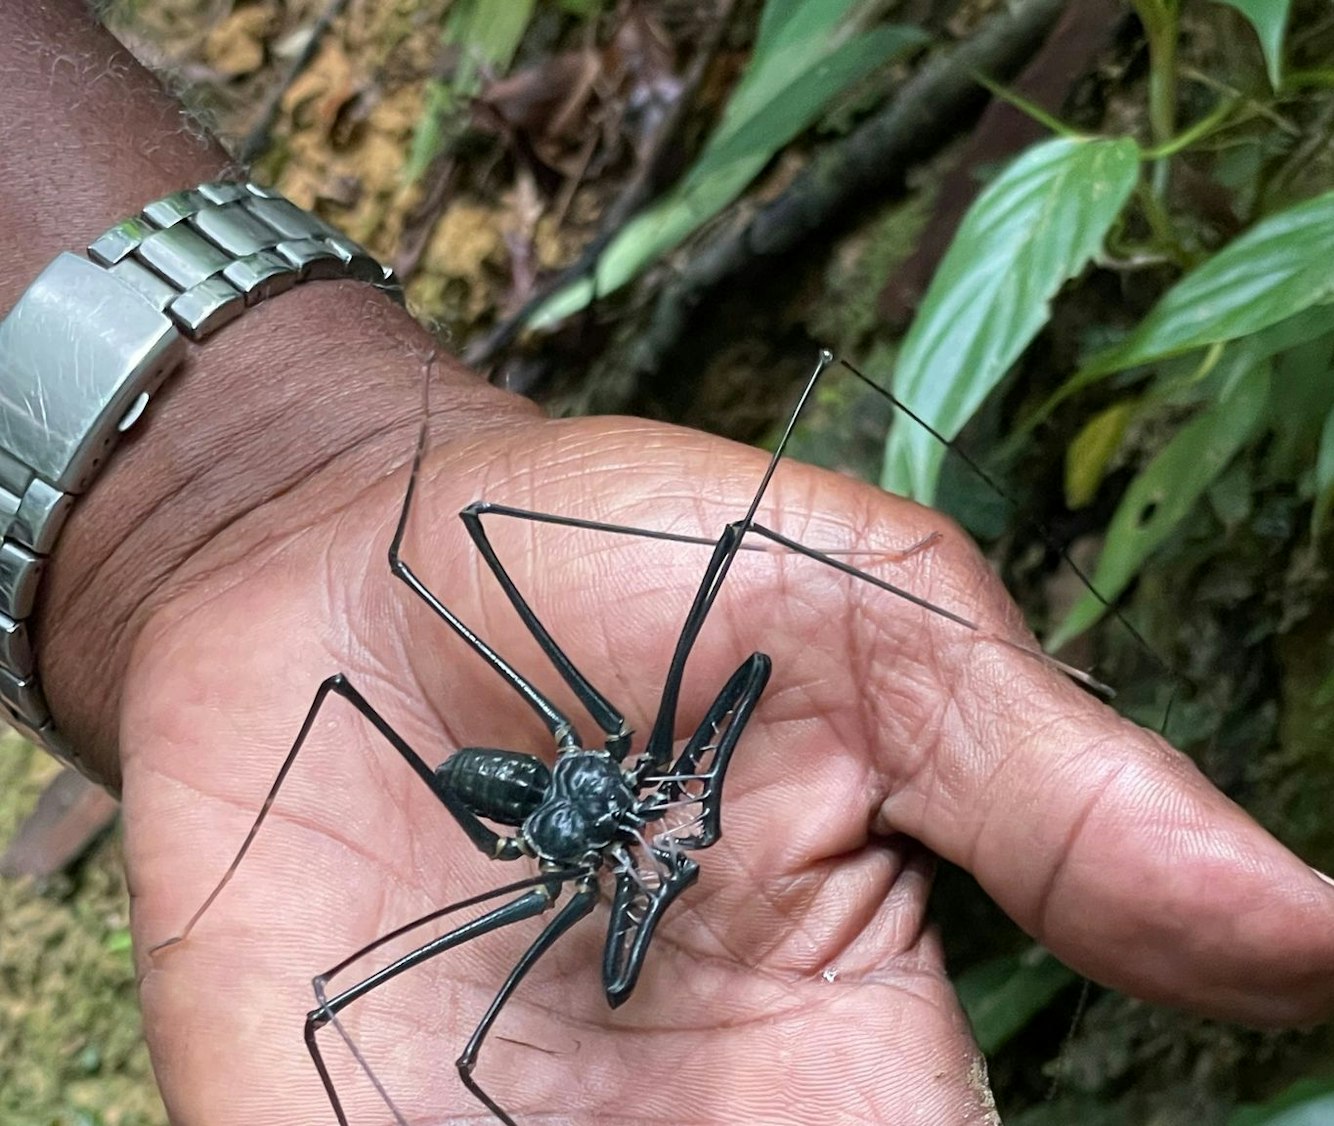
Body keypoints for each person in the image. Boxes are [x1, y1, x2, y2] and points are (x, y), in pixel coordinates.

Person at [5, 2, 1332, 1123]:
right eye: (629, 828)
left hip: (555, 767)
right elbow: (388, 1022)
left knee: (703, 540)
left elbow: (538, 601)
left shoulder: (621, 768)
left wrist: (265, 499)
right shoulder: (551, 871)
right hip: (523, 805)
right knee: (356, 1004)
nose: (644, 827)